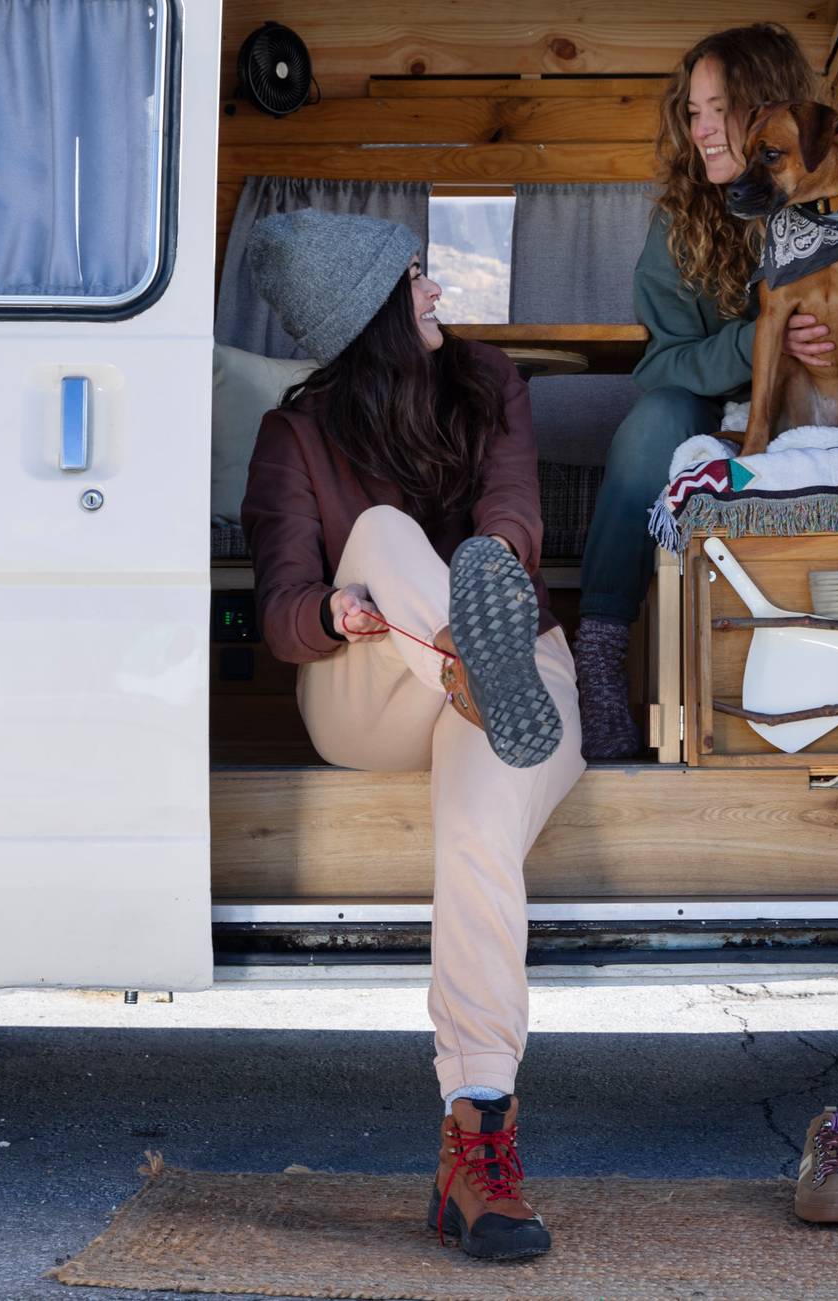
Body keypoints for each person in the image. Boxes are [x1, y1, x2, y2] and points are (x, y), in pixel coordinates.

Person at [239, 208, 585, 1261]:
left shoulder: (488, 384)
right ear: (375, 307)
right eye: (418, 278)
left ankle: (475, 1144)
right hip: (370, 687)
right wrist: (331, 614)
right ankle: (474, 664)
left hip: (509, 688)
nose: (436, 292)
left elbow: (515, 519)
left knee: (479, 829)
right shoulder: (294, 436)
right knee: (381, 539)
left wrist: (486, 572)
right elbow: (279, 604)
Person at [573, 23, 838, 759]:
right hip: (731, 404)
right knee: (654, 422)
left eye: (722, 110)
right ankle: (598, 651)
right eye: (693, 112)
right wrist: (758, 344)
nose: (704, 130)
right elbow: (660, 363)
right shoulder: (683, 225)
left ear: (772, 114)